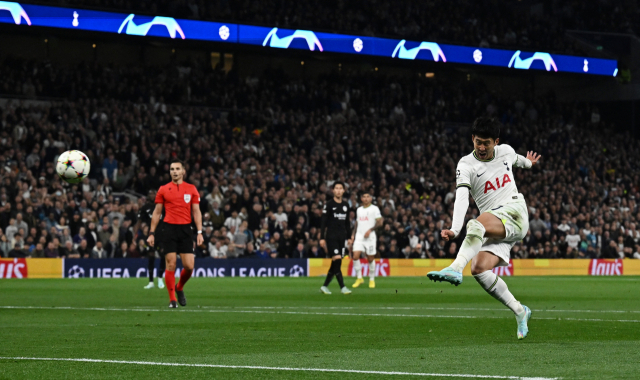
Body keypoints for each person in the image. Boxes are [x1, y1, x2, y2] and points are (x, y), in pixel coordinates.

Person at [427, 117, 541, 340]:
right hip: (496, 224)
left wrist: (529, 163)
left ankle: (455, 268)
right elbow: (462, 198)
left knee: (476, 224)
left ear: (496, 142)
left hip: (514, 211)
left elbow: (519, 161)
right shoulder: (465, 164)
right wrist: (455, 229)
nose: (481, 147)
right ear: (472, 138)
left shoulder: (505, 151)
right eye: (477, 142)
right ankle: (520, 311)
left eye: (486, 143)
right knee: (479, 269)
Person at [147, 159, 204, 308]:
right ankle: (172, 300)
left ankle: (179, 287)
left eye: (177, 169)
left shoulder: (191, 189)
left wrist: (199, 232)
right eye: (172, 169)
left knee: (189, 266)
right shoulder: (163, 189)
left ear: (183, 171)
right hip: (169, 229)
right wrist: (151, 233)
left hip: (186, 229)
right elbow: (157, 212)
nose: (174, 171)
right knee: (171, 263)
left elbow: (196, 212)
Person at [319, 181, 352, 295]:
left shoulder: (346, 205)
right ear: (333, 190)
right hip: (331, 236)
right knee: (337, 259)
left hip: (341, 237)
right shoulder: (328, 204)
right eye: (336, 188)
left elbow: (347, 222)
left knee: (336, 263)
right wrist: (322, 238)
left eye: (340, 188)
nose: (338, 190)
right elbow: (323, 222)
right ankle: (343, 287)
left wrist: (349, 236)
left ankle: (324, 286)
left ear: (343, 190)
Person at [351, 189, 383, 288]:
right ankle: (359, 278)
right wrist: (353, 234)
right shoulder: (359, 210)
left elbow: (380, 223)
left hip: (370, 237)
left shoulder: (375, 209)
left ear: (370, 198)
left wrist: (370, 230)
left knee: (370, 258)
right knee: (355, 256)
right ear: (361, 198)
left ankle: (372, 279)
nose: (366, 198)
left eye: (367, 197)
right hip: (359, 236)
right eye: (364, 197)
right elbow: (357, 223)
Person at [136, 192, 166, 290]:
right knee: (151, 257)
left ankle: (160, 278)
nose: (152, 195)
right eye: (150, 194)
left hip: (161, 236)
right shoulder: (146, 208)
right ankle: (151, 281)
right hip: (151, 236)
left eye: (154, 193)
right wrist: (135, 235)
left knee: (163, 256)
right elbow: (139, 221)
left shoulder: (163, 206)